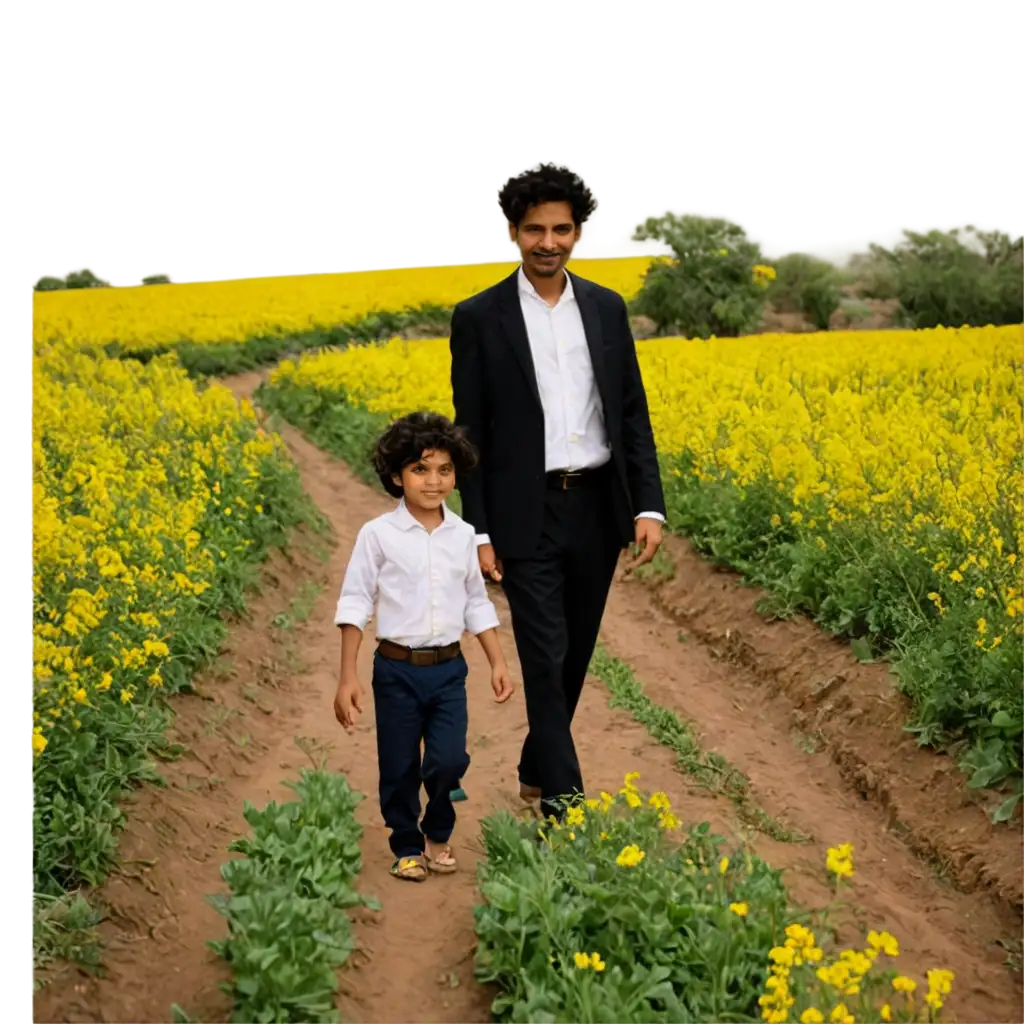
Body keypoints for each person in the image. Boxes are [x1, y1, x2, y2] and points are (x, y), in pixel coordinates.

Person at [449, 163, 665, 822]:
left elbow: (630, 410)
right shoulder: (480, 318)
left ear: (578, 233)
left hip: (598, 506)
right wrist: (478, 530)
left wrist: (647, 504)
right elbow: (471, 434)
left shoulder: (605, 308)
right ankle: (565, 813)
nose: (549, 242)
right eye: (534, 229)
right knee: (542, 656)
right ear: (512, 233)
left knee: (572, 654)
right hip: (525, 512)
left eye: (561, 229)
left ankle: (537, 768)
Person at [332, 411, 515, 882]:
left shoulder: (464, 535)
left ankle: (439, 827)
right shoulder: (378, 535)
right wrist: (347, 676)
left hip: (449, 669)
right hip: (395, 670)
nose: (434, 482)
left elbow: (476, 601)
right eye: (420, 469)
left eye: (445, 471)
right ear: (397, 476)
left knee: (449, 759)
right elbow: (355, 602)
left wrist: (497, 661)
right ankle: (407, 844)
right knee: (397, 765)